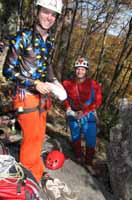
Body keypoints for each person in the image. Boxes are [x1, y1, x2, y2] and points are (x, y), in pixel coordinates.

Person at [2, 0, 64, 183]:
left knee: (38, 137)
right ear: (38, 11)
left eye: (53, 14)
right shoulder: (22, 37)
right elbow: (8, 70)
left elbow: (48, 67)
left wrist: (55, 82)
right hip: (25, 95)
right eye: (46, 12)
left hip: (42, 97)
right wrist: (34, 83)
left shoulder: (50, 41)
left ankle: (36, 173)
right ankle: (27, 180)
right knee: (30, 139)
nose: (49, 17)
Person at [63, 57, 102, 168]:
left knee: (91, 139)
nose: (80, 71)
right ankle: (78, 156)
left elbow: (98, 101)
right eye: (78, 69)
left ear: (86, 71)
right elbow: (64, 97)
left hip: (88, 114)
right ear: (75, 70)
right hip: (73, 113)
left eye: (82, 69)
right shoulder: (67, 84)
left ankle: (88, 162)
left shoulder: (93, 85)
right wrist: (68, 108)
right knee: (75, 136)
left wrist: (85, 112)